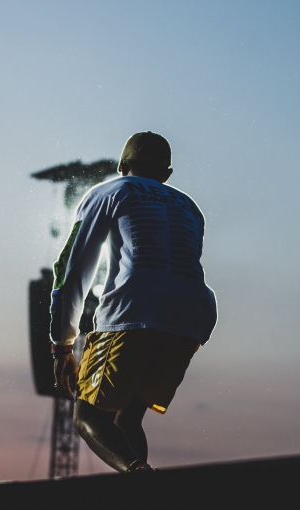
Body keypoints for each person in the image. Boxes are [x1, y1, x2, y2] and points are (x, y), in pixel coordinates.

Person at [50, 131, 218, 473]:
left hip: (133, 314)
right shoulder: (190, 207)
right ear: (167, 174)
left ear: (122, 166)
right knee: (128, 420)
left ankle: (139, 476)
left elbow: (73, 269)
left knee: (87, 417)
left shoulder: (109, 192)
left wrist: (62, 346)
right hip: (191, 322)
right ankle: (141, 483)